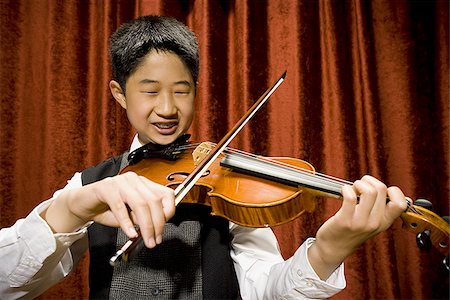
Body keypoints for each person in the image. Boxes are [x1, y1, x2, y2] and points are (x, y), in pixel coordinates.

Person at [0, 15, 408, 299]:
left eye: (182, 90)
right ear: (118, 93)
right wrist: (71, 208)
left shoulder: (221, 179)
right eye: (149, 89)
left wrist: (330, 247)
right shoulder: (92, 185)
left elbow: (268, 290)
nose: (167, 108)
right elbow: (8, 283)